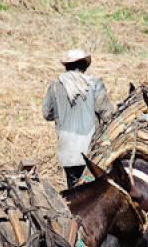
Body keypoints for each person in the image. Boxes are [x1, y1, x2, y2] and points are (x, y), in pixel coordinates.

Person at [42, 49, 113, 188]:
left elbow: (46, 113)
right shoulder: (95, 84)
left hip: (67, 149)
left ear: (66, 66)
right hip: (92, 149)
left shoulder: (55, 86)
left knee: (75, 191)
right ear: (85, 65)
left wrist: (62, 112)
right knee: (94, 191)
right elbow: (107, 114)